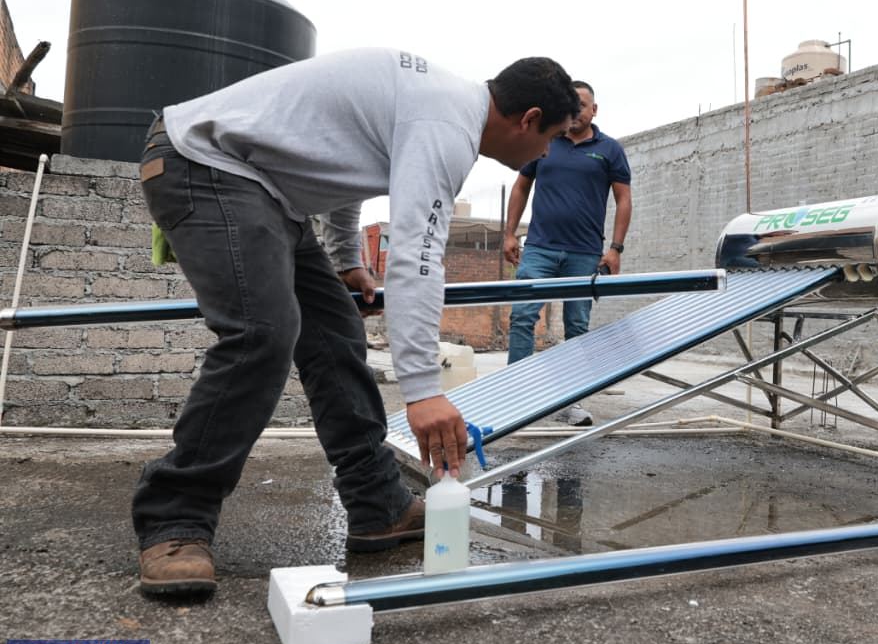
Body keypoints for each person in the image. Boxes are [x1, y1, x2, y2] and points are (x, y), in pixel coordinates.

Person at [133, 49, 579, 596]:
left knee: (336, 334)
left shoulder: (436, 107)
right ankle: (174, 518)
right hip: (205, 162)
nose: (548, 151)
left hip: (268, 192)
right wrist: (422, 391)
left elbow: (350, 172)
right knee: (262, 332)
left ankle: (380, 505)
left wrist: (347, 260)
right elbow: (418, 257)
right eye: (553, 136)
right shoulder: (445, 124)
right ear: (528, 119)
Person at [502, 81, 632, 425]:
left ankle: (571, 403)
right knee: (523, 317)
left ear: (594, 110)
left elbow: (623, 199)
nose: (576, 112)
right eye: (571, 106)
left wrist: (615, 249)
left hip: (584, 253)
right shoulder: (545, 142)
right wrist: (509, 233)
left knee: (577, 326)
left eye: (583, 105)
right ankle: (515, 398)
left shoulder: (610, 150)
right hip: (540, 249)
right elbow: (521, 186)